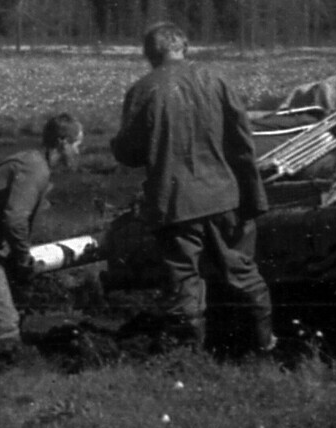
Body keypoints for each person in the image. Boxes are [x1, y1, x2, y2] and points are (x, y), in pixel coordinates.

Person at [111, 21, 277, 355]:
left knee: (184, 285)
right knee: (244, 275)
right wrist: (253, 198)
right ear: (184, 46)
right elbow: (243, 142)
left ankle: (189, 359)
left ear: (150, 54)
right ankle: (263, 346)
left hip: (175, 204)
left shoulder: (143, 90)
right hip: (223, 196)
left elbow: (128, 152)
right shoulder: (215, 80)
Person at [0, 113, 84, 354]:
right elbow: (15, 219)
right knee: (5, 320)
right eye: (77, 145)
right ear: (63, 142)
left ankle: (7, 355)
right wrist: (22, 258)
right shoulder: (35, 168)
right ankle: (5, 363)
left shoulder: (33, 163)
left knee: (9, 302)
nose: (78, 151)